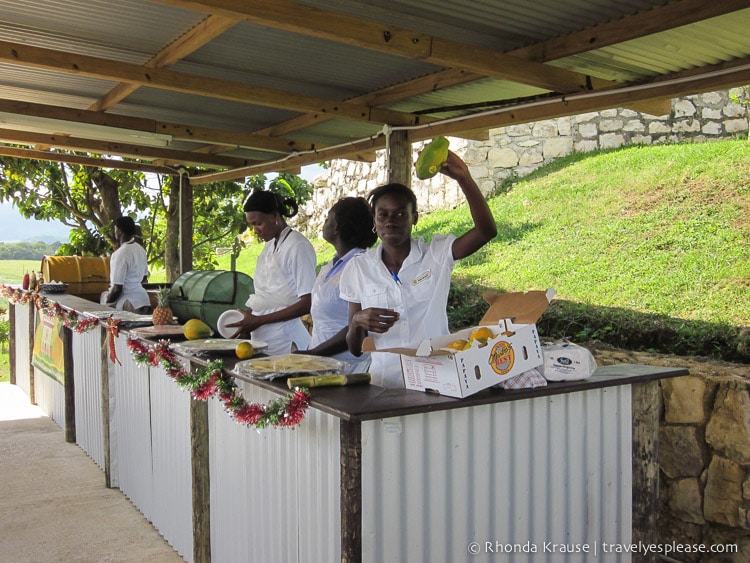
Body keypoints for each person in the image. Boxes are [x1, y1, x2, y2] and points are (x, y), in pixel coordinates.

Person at [340, 151, 498, 388]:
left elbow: (486, 231)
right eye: (383, 214)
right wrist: (357, 323)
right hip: (385, 385)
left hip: (437, 382)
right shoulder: (358, 268)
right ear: (374, 221)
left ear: (415, 218)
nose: (390, 221)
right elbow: (355, 349)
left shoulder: (436, 253)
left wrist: (464, 178)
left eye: (401, 214)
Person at [227, 190, 317, 356]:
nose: (255, 230)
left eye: (258, 223)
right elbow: (269, 295)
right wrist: (251, 316)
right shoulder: (269, 247)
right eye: (252, 225)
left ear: (275, 216)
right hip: (261, 337)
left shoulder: (298, 246)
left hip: (285, 339)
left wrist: (258, 320)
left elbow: (308, 302)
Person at [303, 197, 378, 372]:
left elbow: (359, 323)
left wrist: (316, 353)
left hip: (349, 368)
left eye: (328, 218)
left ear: (336, 227)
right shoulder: (334, 265)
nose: (324, 222)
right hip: (322, 363)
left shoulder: (362, 266)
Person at [101, 216, 151, 314]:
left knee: (104, 298)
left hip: (129, 303)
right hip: (144, 300)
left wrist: (105, 303)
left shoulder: (121, 254)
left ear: (119, 231)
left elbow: (117, 288)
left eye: (115, 229)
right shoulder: (141, 250)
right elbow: (144, 278)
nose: (115, 232)